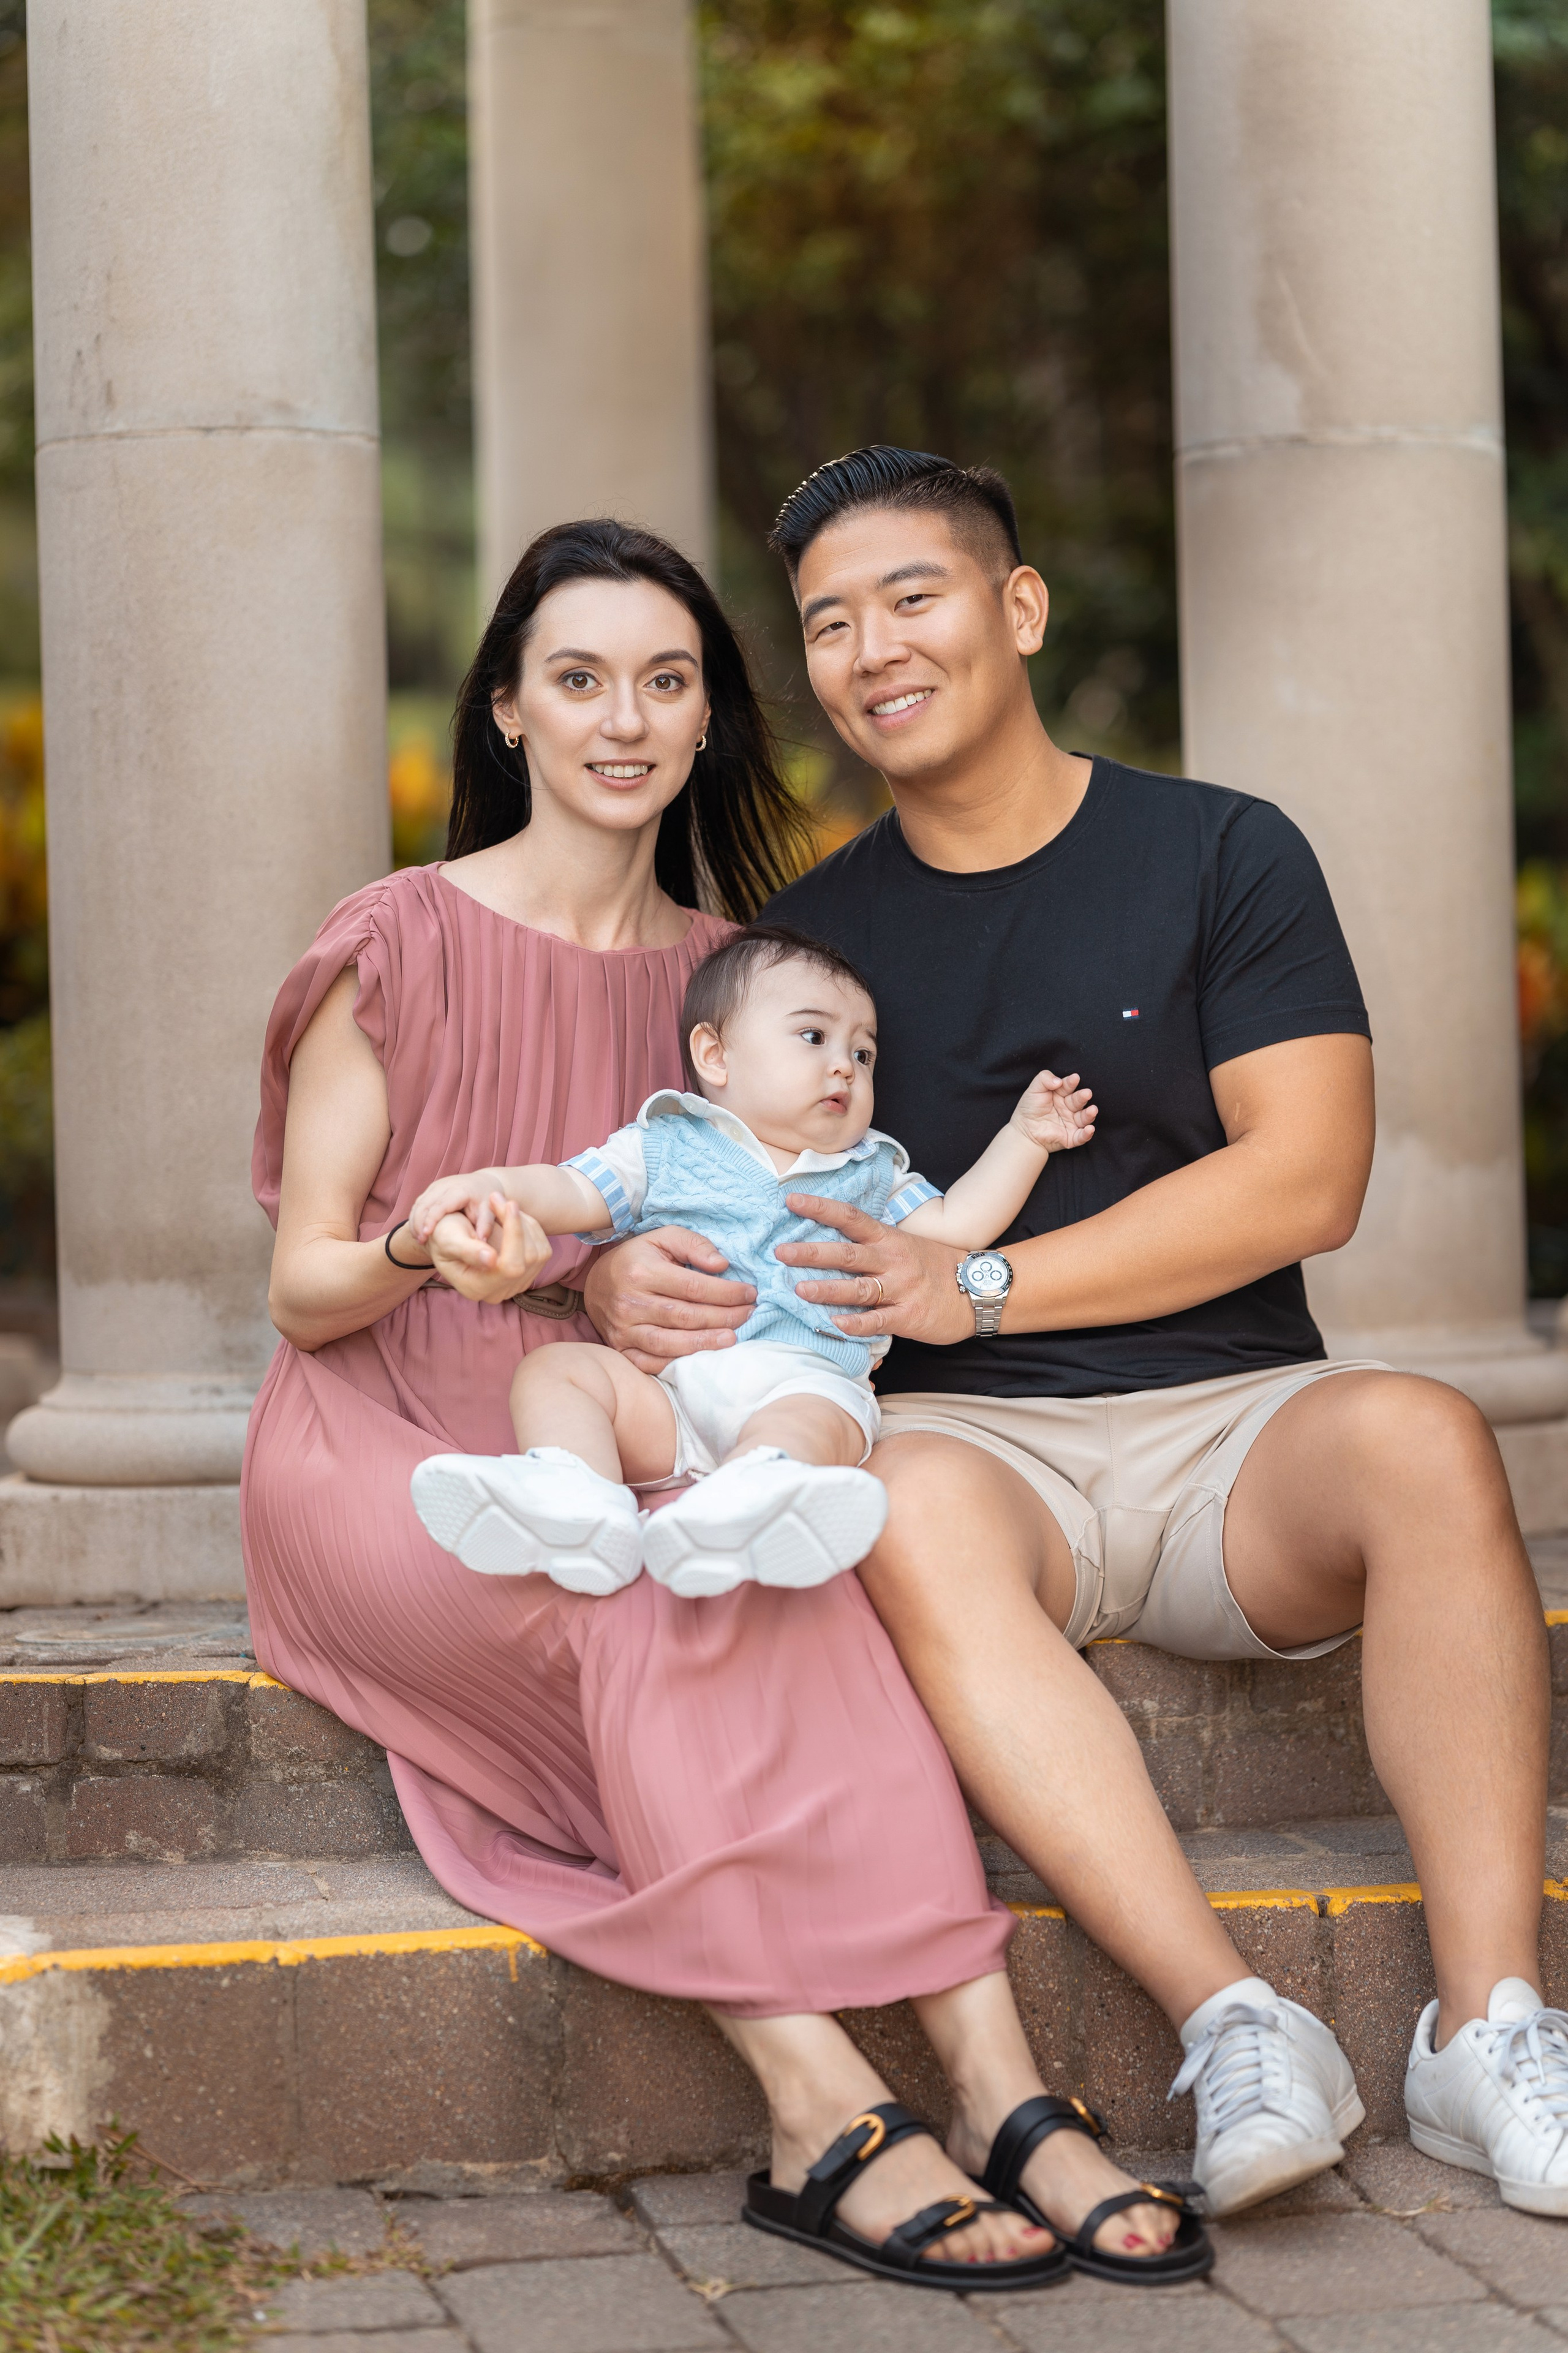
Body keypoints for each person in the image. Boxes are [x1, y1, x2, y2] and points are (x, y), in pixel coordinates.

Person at [582, 447, 1568, 2221]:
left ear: (1015, 609)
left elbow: (1310, 1177)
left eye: (912, 597)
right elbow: (696, 1180)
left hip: (1240, 1427)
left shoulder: (1221, 851)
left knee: (1427, 1434)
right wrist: (609, 1285)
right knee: (911, 1506)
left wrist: (986, 1280)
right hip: (977, 1455)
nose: (872, 648)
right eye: (826, 624)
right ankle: (1241, 2022)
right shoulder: (811, 942)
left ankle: (1487, 2032)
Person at [243, 514, 1207, 2287]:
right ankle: (814, 2098)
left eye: (668, 681)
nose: (627, 718)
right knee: (639, 1612)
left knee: (798, 1591)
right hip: (396, 1436)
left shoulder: (751, 990)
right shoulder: (393, 942)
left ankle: (998, 2083)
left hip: (660, 1420)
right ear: (509, 713)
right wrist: (443, 1253)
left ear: (707, 721)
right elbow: (305, 1284)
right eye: (581, 678)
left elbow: (792, 1243)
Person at [399, 922, 1095, 1597]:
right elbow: (569, 1189)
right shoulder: (665, 1142)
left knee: (807, 1426)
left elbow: (959, 1225)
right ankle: (577, 1500)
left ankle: (749, 1504)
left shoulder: (872, 1170)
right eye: (813, 1036)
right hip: (671, 1399)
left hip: (808, 1381)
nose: (841, 1066)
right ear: (715, 1056)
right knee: (558, 1370)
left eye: (863, 1054)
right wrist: (493, 1187)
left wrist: (1024, 1138)